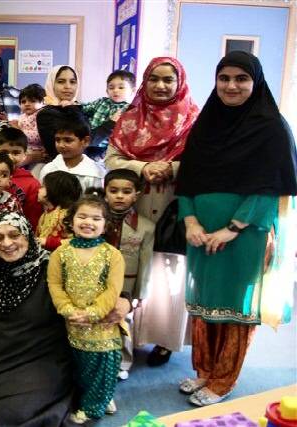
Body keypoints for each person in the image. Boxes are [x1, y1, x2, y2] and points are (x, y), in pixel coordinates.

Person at [175, 51, 297, 406]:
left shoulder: (272, 127)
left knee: (235, 307)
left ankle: (223, 379)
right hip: (201, 231)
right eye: (224, 78)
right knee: (202, 301)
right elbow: (187, 181)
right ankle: (204, 371)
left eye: (241, 79)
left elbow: (273, 187)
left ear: (255, 82)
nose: (231, 85)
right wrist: (191, 220)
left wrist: (233, 228)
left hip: (247, 235)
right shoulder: (205, 125)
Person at [0, 211, 133, 426]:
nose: (7, 243)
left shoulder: (52, 267)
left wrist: (125, 300)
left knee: (7, 415)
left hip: (43, 355)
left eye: (15, 235)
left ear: (29, 236)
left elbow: (91, 286)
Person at [105, 57, 199, 366]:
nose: (160, 86)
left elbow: (205, 161)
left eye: (168, 80)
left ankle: (163, 339)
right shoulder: (129, 118)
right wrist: (143, 167)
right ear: (144, 82)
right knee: (133, 269)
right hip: (133, 204)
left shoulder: (193, 118)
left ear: (179, 82)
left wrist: (170, 167)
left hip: (175, 205)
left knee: (167, 271)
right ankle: (126, 336)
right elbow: (112, 159)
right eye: (154, 79)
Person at [47, 194, 126, 422]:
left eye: (96, 218)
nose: (88, 222)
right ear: (71, 221)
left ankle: (93, 407)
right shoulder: (60, 253)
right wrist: (67, 309)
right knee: (80, 367)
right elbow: (55, 284)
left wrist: (93, 313)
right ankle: (100, 395)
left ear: (105, 225)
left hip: (102, 323)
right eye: (82, 216)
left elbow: (113, 290)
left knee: (102, 363)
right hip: (71, 321)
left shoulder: (113, 255)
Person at [103, 169, 155, 379]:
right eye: (113, 191)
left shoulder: (146, 227)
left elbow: (146, 262)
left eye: (126, 191)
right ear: (105, 192)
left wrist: (141, 291)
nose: (119, 196)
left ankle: (123, 362)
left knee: (125, 322)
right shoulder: (95, 220)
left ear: (137, 194)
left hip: (127, 284)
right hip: (97, 282)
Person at [81, 70, 136, 161]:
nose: (115, 90)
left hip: (107, 149)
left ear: (132, 90)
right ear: (107, 90)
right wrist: (72, 104)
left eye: (121, 87)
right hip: (89, 140)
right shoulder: (101, 101)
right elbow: (84, 108)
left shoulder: (130, 110)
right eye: (111, 87)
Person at [0, 127, 42, 230]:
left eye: (15, 153)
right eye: (4, 153)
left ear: (24, 155)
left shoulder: (32, 184)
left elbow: (33, 217)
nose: (9, 157)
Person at [40, 118, 105, 192]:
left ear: (85, 141)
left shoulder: (95, 173)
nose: (61, 145)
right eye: (57, 140)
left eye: (68, 140)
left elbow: (96, 202)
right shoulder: (49, 169)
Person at [37, 67, 85, 160]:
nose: (68, 86)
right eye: (61, 81)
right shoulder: (45, 114)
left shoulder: (81, 108)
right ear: (52, 84)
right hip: (60, 167)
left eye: (72, 82)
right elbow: (79, 143)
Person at [36, 170, 82, 250]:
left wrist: (48, 242)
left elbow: (77, 242)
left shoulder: (66, 215)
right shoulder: (44, 215)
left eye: (42, 187)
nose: (38, 190)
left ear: (54, 190)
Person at [12, 83, 48, 177]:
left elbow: (38, 135)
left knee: (35, 176)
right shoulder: (22, 116)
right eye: (23, 102)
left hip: (38, 153)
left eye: (32, 101)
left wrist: (19, 131)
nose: (27, 104)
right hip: (24, 152)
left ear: (43, 102)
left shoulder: (41, 115)